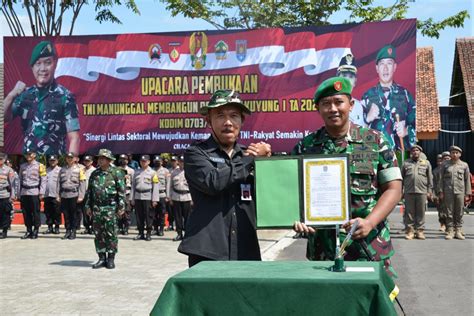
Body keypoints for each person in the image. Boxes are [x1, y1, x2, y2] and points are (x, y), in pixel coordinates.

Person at [292, 77, 402, 278]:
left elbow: (394, 189)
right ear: (318, 109)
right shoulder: (305, 147)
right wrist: (296, 218)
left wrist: (369, 222)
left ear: (351, 105)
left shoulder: (376, 141)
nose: (333, 108)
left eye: (338, 102)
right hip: (322, 253)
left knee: (373, 306)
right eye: (326, 104)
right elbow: (290, 191)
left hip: (368, 248)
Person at [178, 89, 272, 267]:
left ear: (242, 120)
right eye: (220, 115)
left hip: (246, 250)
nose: (228, 122)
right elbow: (213, 182)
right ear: (209, 120)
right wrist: (251, 160)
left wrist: (267, 166)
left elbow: (270, 197)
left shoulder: (249, 157)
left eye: (234, 115)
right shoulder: (196, 153)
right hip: (207, 251)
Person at [3, 40, 80, 156]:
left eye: (47, 62)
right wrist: (11, 95)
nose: (43, 68)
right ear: (32, 68)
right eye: (38, 64)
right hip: (29, 166)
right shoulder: (25, 95)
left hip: (54, 166)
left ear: (55, 63)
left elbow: (74, 138)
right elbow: (4, 117)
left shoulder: (66, 96)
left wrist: (71, 166)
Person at [361, 44, 416, 151]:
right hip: (373, 153)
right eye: (382, 64)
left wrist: (406, 131)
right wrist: (367, 119)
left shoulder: (405, 95)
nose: (385, 68)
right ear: (377, 68)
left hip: (398, 154)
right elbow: (355, 129)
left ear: (395, 67)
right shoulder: (367, 96)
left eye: (389, 64)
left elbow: (417, 124)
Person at [84, 149, 125, 269]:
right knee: (99, 234)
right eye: (99, 158)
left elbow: (121, 192)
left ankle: (111, 259)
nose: (100, 160)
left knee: (111, 233)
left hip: (111, 208)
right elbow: (89, 192)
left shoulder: (116, 173)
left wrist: (121, 207)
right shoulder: (94, 174)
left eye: (103, 158)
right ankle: (101, 258)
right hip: (97, 208)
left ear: (109, 160)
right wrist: (88, 206)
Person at [438, 146, 471, 240]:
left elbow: (467, 180)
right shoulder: (445, 164)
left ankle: (458, 230)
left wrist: (467, 193)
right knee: (449, 211)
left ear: (460, 154)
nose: (455, 154)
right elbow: (440, 179)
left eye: (457, 152)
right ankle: (450, 230)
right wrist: (440, 191)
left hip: (460, 191)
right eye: (453, 152)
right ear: (450, 154)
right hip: (448, 191)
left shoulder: (464, 165)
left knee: (459, 211)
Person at [401, 145, 433, 240]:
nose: (415, 152)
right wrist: (401, 191)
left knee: (421, 212)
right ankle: (410, 231)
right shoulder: (406, 163)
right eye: (413, 150)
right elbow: (401, 177)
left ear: (420, 152)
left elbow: (430, 178)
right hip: (409, 191)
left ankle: (420, 231)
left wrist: (429, 191)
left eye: (417, 150)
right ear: (411, 152)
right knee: (409, 212)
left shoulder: (426, 163)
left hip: (422, 191)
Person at [130, 155, 159, 241]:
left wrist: (154, 199)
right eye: (142, 161)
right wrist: (132, 198)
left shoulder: (153, 173)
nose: (143, 162)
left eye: (145, 161)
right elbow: (133, 186)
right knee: (139, 216)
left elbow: (155, 186)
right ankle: (140, 233)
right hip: (138, 196)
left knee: (148, 216)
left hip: (148, 196)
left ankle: (148, 233)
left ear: (149, 162)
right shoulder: (136, 172)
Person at [58, 152, 86, 240]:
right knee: (66, 214)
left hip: (74, 195)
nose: (69, 159)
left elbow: (82, 183)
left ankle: (73, 231)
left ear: (74, 159)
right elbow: (58, 183)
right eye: (68, 158)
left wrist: (81, 196)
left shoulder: (79, 169)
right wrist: (57, 195)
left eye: (71, 157)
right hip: (64, 195)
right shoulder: (62, 169)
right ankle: (67, 231)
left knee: (74, 214)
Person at [19, 150, 47, 239]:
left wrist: (42, 192)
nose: (28, 156)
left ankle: (36, 230)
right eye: (26, 154)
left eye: (30, 154)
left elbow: (43, 180)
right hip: (24, 192)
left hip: (34, 191)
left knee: (35, 212)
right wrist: (18, 192)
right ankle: (28, 230)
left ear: (34, 155)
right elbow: (19, 180)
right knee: (26, 212)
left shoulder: (40, 166)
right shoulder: (23, 166)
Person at [336, 53, 365, 127]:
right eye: (344, 76)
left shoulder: (358, 106)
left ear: (355, 82)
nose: (347, 80)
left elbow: (360, 134)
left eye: (351, 77)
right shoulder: (330, 102)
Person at [168, 155, 192, 241]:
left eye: (183, 162)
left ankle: (187, 234)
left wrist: (193, 199)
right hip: (176, 196)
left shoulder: (191, 171)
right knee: (177, 217)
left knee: (187, 217)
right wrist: (170, 197)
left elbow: (194, 187)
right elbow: (170, 186)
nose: (182, 163)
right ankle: (179, 233)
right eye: (181, 162)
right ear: (178, 162)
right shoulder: (174, 172)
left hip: (187, 197)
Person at [43, 155, 61, 234]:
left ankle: (57, 227)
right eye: (51, 160)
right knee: (48, 212)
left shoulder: (60, 170)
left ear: (57, 161)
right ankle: (49, 227)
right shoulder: (46, 170)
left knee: (57, 212)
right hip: (47, 195)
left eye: (54, 160)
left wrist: (59, 195)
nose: (52, 162)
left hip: (56, 195)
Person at [152, 155, 170, 236]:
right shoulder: (151, 171)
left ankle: (161, 229)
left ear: (162, 162)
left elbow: (168, 184)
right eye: (156, 162)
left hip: (162, 194)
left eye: (158, 162)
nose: (157, 163)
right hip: (153, 195)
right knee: (154, 213)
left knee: (162, 213)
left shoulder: (166, 171)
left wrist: (167, 196)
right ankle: (155, 229)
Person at [117, 154, 135, 235]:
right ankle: (119, 227)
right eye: (121, 159)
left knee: (127, 211)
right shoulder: (115, 170)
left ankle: (126, 228)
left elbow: (133, 183)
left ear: (127, 161)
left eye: (124, 159)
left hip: (127, 192)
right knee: (118, 210)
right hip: (118, 192)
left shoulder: (131, 171)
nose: (123, 161)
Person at [0, 153, 16, 239]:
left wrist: (12, 195)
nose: (0, 160)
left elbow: (12, 184)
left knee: (5, 214)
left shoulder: (8, 170)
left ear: (4, 160)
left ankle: (4, 231)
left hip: (5, 194)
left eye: (1, 159)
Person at [433, 153, 447, 232]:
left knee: (449, 210)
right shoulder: (435, 171)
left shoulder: (448, 168)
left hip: (448, 192)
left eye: (442, 160)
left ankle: (451, 226)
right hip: (439, 192)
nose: (440, 162)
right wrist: (434, 194)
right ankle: (442, 224)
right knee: (441, 210)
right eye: (439, 160)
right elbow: (433, 183)